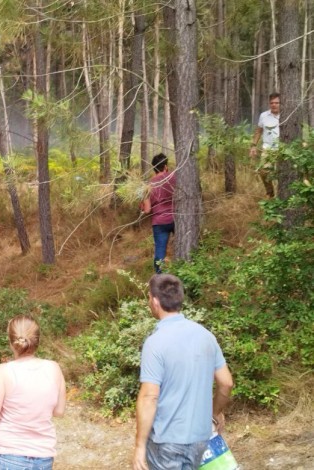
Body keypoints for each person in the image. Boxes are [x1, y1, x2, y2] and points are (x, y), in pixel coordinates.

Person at [133, 274, 234, 470]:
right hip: (200, 437)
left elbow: (149, 397)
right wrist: (214, 413)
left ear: (154, 301)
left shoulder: (155, 343)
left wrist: (139, 445)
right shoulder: (206, 336)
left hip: (167, 441)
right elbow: (226, 383)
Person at [0, 315, 66, 470]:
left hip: (8, 456)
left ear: (11, 342)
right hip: (43, 458)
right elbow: (59, 411)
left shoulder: (3, 371)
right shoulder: (54, 368)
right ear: (37, 340)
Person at [141, 153, 176, 274]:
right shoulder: (174, 177)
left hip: (159, 223)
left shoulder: (148, 186)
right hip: (177, 219)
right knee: (183, 247)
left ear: (154, 167)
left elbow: (147, 210)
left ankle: (160, 278)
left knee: (160, 253)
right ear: (165, 166)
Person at [249, 92, 280, 198]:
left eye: (277, 103)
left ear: (281, 103)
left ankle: (283, 196)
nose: (274, 105)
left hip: (283, 149)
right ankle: (270, 193)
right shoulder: (264, 115)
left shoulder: (286, 115)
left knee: (284, 174)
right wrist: (253, 145)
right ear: (269, 104)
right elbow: (258, 131)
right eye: (272, 103)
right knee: (263, 171)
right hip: (267, 149)